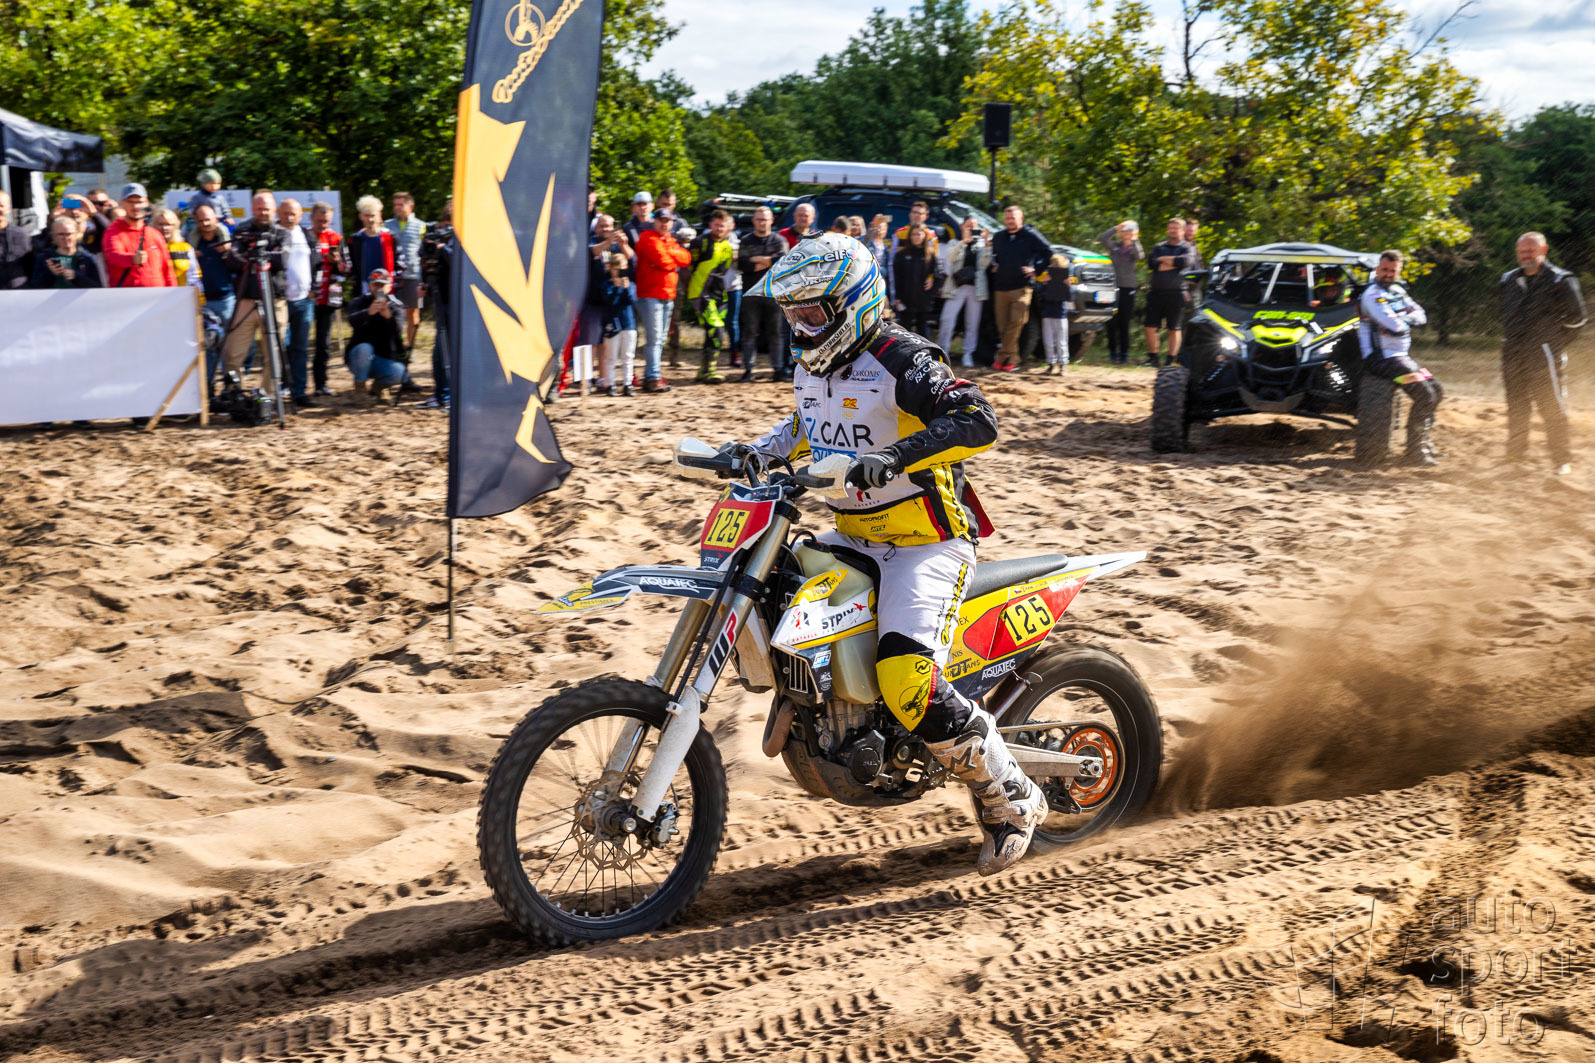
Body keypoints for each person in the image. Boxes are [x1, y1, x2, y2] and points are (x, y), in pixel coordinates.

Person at [740, 232, 1044, 876]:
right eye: (791, 313)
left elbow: (978, 419)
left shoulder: (903, 359)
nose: (799, 326)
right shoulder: (811, 366)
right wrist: (757, 452)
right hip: (852, 536)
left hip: (925, 544)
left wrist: (893, 457)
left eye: (811, 312)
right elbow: (804, 427)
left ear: (851, 303)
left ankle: (1010, 794)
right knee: (766, 587)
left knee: (908, 681)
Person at [1499, 232, 1587, 475]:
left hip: (1544, 356)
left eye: (1531, 251)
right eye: (1522, 252)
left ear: (1544, 250)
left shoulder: (1560, 280)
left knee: (1551, 406)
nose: (1526, 256)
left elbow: (1578, 319)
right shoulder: (1507, 280)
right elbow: (1505, 315)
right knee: (1517, 406)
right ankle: (1515, 454)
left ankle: (1561, 460)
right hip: (1512, 354)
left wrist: (1551, 343)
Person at [1358, 249, 1443, 467]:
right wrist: (1402, 320)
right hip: (1382, 361)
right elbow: (1395, 326)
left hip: (1400, 359)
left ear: (1399, 271)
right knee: (1425, 394)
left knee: (1436, 388)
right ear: (1377, 269)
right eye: (1384, 269)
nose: (1388, 274)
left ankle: (1423, 441)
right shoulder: (1372, 295)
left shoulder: (1397, 290)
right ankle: (1415, 452)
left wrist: (1401, 319)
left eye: (1392, 271)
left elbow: (1420, 315)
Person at [223, 190, 289, 397]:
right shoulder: (242, 230)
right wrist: (257, 260)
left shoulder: (282, 232)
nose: (263, 212)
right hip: (245, 300)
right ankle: (234, 395)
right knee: (234, 352)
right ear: (252, 209)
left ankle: (268, 397)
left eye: (266, 209)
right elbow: (232, 259)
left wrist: (255, 256)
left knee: (273, 354)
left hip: (274, 300)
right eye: (259, 209)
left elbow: (282, 260)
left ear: (274, 210)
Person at [633, 207, 692, 393]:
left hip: (668, 294)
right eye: (661, 220)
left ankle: (653, 374)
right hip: (650, 294)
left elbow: (686, 258)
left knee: (660, 338)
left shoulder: (669, 240)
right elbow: (663, 261)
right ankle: (652, 377)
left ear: (672, 222)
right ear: (655, 221)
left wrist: (670, 253)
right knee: (655, 338)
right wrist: (673, 256)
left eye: (668, 221)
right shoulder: (647, 237)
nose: (664, 224)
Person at [987, 205, 1051, 370]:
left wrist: (1036, 270)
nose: (1010, 221)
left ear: (1020, 219)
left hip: (1021, 288)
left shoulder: (1030, 235)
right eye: (1007, 218)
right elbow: (994, 256)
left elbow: (1048, 252)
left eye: (1013, 218)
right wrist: (995, 265)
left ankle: (1002, 357)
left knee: (1016, 323)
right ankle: (1012, 358)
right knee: (1003, 326)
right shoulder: (998, 237)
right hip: (1001, 288)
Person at [688, 209, 741, 383]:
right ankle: (710, 370)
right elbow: (690, 267)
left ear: (728, 227)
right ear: (711, 225)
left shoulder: (727, 246)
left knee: (713, 332)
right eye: (716, 225)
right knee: (716, 328)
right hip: (700, 293)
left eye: (722, 226)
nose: (719, 228)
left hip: (719, 294)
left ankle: (702, 371)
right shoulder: (700, 242)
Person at [736, 205, 787, 381]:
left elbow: (783, 263)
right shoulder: (746, 240)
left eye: (765, 219)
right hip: (751, 293)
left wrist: (757, 260)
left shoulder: (779, 240)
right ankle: (748, 369)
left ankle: (778, 369)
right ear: (753, 221)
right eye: (758, 219)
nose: (762, 222)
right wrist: (770, 261)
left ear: (771, 221)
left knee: (776, 332)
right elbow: (743, 265)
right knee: (749, 332)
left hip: (774, 293)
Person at [275, 199, 317, 407]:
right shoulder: (272, 235)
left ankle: (299, 392)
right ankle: (278, 389)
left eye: (294, 214)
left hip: (303, 301)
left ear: (301, 215)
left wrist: (314, 287)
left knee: (300, 348)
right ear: (278, 213)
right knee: (279, 347)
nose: (290, 217)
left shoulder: (307, 235)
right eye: (285, 213)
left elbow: (316, 263)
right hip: (279, 300)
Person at [346, 268, 409, 403]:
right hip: (358, 358)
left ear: (389, 286)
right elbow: (352, 321)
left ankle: (379, 387)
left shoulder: (396, 306)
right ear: (369, 285)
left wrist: (388, 317)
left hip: (382, 359)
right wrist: (368, 312)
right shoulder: (359, 301)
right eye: (375, 284)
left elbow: (398, 333)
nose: (378, 288)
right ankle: (360, 390)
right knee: (365, 348)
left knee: (400, 373)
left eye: (382, 285)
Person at [191, 205, 236, 383]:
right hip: (203, 302)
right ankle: (209, 387)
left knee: (229, 346)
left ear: (216, 219)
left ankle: (229, 387)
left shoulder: (227, 241)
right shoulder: (193, 244)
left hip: (226, 300)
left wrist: (229, 252)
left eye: (208, 219)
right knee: (208, 346)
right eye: (201, 220)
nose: (205, 223)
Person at [938, 216, 991, 367]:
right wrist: (963, 242)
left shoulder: (981, 245)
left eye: (974, 226)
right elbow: (950, 257)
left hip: (976, 288)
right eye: (968, 226)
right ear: (962, 226)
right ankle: (943, 352)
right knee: (947, 319)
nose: (971, 229)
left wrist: (987, 245)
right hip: (956, 286)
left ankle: (968, 353)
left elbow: (984, 264)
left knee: (972, 323)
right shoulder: (954, 242)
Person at [310, 202, 350, 398]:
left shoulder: (337, 239)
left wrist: (338, 262)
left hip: (328, 297)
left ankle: (321, 384)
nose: (323, 225)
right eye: (319, 221)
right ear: (311, 218)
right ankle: (288, 383)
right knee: (293, 343)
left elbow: (348, 269)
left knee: (323, 343)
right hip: (305, 297)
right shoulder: (304, 236)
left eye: (326, 222)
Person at [103, 184, 176, 288]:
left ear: (146, 203)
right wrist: (132, 259)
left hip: (158, 295)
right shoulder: (113, 232)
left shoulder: (155, 234)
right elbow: (113, 257)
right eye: (130, 202)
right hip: (128, 295)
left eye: (139, 202)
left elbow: (167, 269)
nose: (135, 206)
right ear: (122, 203)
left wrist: (173, 291)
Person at [1143, 218, 1193, 366]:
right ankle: (1153, 358)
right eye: (1170, 228)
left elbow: (1185, 262)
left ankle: (1171, 359)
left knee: (1174, 328)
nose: (1172, 230)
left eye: (1176, 228)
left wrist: (1163, 260)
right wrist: (1174, 264)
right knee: (1150, 326)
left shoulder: (1187, 247)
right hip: (1156, 292)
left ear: (1182, 230)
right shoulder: (1159, 247)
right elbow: (1152, 264)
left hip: (1176, 293)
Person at [419, 200, 454, 408]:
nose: (445, 230)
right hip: (441, 297)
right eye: (444, 225)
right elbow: (427, 263)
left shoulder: (465, 237)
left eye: (449, 226)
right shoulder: (438, 238)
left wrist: (443, 249)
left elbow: (461, 262)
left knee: (447, 349)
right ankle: (441, 394)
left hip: (459, 299)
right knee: (439, 350)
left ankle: (448, 395)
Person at [384, 192, 426, 356]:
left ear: (410, 206)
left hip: (413, 276)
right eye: (395, 205)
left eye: (400, 205)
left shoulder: (421, 226)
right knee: (392, 313)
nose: (397, 208)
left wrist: (423, 279)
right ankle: (395, 347)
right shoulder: (387, 225)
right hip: (392, 277)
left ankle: (409, 350)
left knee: (412, 313)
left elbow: (424, 252)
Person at [1099, 220, 1143, 364]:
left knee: (1124, 322)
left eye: (1129, 231)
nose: (1126, 233)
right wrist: (1115, 228)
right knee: (1111, 322)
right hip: (1112, 287)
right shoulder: (1115, 246)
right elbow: (1102, 238)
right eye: (1124, 231)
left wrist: (1135, 240)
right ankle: (1113, 352)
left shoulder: (1134, 248)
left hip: (1127, 288)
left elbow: (1140, 256)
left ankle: (1124, 354)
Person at [892, 223, 943, 339]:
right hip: (906, 299)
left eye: (919, 234)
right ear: (909, 236)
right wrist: (897, 297)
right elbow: (896, 278)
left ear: (924, 236)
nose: (916, 237)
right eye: (913, 234)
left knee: (923, 331)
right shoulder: (901, 255)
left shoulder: (930, 255)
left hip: (923, 300)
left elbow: (938, 276)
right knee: (904, 331)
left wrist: (931, 290)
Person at [599, 252, 638, 396]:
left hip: (628, 324)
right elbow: (610, 302)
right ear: (611, 268)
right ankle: (610, 384)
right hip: (613, 324)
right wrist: (616, 287)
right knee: (611, 357)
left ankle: (628, 384)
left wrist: (625, 288)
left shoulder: (631, 284)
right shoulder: (606, 285)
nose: (618, 271)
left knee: (628, 356)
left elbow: (631, 300)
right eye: (616, 268)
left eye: (621, 268)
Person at [27, 215, 100, 289]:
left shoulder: (87, 258)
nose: (66, 238)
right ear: (53, 236)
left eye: (69, 234)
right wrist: (50, 273)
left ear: (76, 234)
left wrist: (76, 276)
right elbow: (34, 287)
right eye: (61, 234)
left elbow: (97, 286)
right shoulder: (44, 258)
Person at [347, 196, 395, 296]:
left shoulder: (390, 237)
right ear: (361, 216)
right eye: (366, 215)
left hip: (385, 286)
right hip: (364, 286)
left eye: (373, 215)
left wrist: (394, 283)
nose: (370, 219)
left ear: (379, 215)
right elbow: (351, 266)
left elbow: (399, 263)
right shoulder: (355, 240)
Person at [1037, 252, 1072, 373]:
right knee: (1049, 341)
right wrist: (1045, 283)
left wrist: (1068, 287)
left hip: (1060, 313)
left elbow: (1069, 298)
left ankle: (1062, 364)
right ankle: (1051, 364)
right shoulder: (1047, 277)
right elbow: (1041, 295)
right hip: (1048, 313)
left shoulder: (1065, 279)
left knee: (1061, 341)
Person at [154, 209, 204, 293]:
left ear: (175, 226)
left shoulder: (185, 248)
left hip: (180, 296)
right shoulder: (148, 248)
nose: (164, 228)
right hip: (156, 295)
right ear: (154, 226)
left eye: (168, 224)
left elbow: (194, 277)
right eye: (161, 224)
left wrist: (199, 296)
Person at [183, 168, 232, 240]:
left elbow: (225, 209)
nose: (214, 186)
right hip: (201, 223)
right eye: (211, 184)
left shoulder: (220, 198)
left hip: (217, 222)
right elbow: (191, 208)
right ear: (204, 184)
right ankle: (192, 246)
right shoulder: (197, 197)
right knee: (194, 233)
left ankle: (225, 245)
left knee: (224, 231)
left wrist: (228, 217)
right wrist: (192, 214)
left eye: (217, 184)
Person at [0, 190, 34, 289]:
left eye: (1, 205)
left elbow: (30, 264)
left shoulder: (20, 235)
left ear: (8, 208)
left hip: (18, 292)